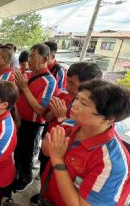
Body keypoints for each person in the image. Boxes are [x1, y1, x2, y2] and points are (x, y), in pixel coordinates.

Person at [39, 80, 130, 206]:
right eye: (77, 98)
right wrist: (48, 147)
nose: (74, 105)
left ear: (108, 118)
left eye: (84, 103)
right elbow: (47, 152)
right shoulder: (70, 124)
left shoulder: (111, 164)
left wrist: (57, 158)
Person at [30, 62, 103, 204]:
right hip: (50, 145)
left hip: (63, 157)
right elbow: (46, 117)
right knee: (45, 169)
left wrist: (62, 118)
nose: (67, 86)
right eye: (67, 81)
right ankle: (43, 193)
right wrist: (55, 114)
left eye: (72, 83)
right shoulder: (64, 95)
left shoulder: (90, 118)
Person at [13, 43, 56, 191]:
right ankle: (16, 172)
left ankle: (26, 178)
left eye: (33, 56)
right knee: (18, 150)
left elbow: (40, 109)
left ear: (44, 59)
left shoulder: (49, 81)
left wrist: (24, 87)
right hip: (19, 120)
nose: (29, 59)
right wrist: (19, 87)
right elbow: (19, 95)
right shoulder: (29, 74)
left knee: (27, 153)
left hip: (33, 124)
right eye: (29, 55)